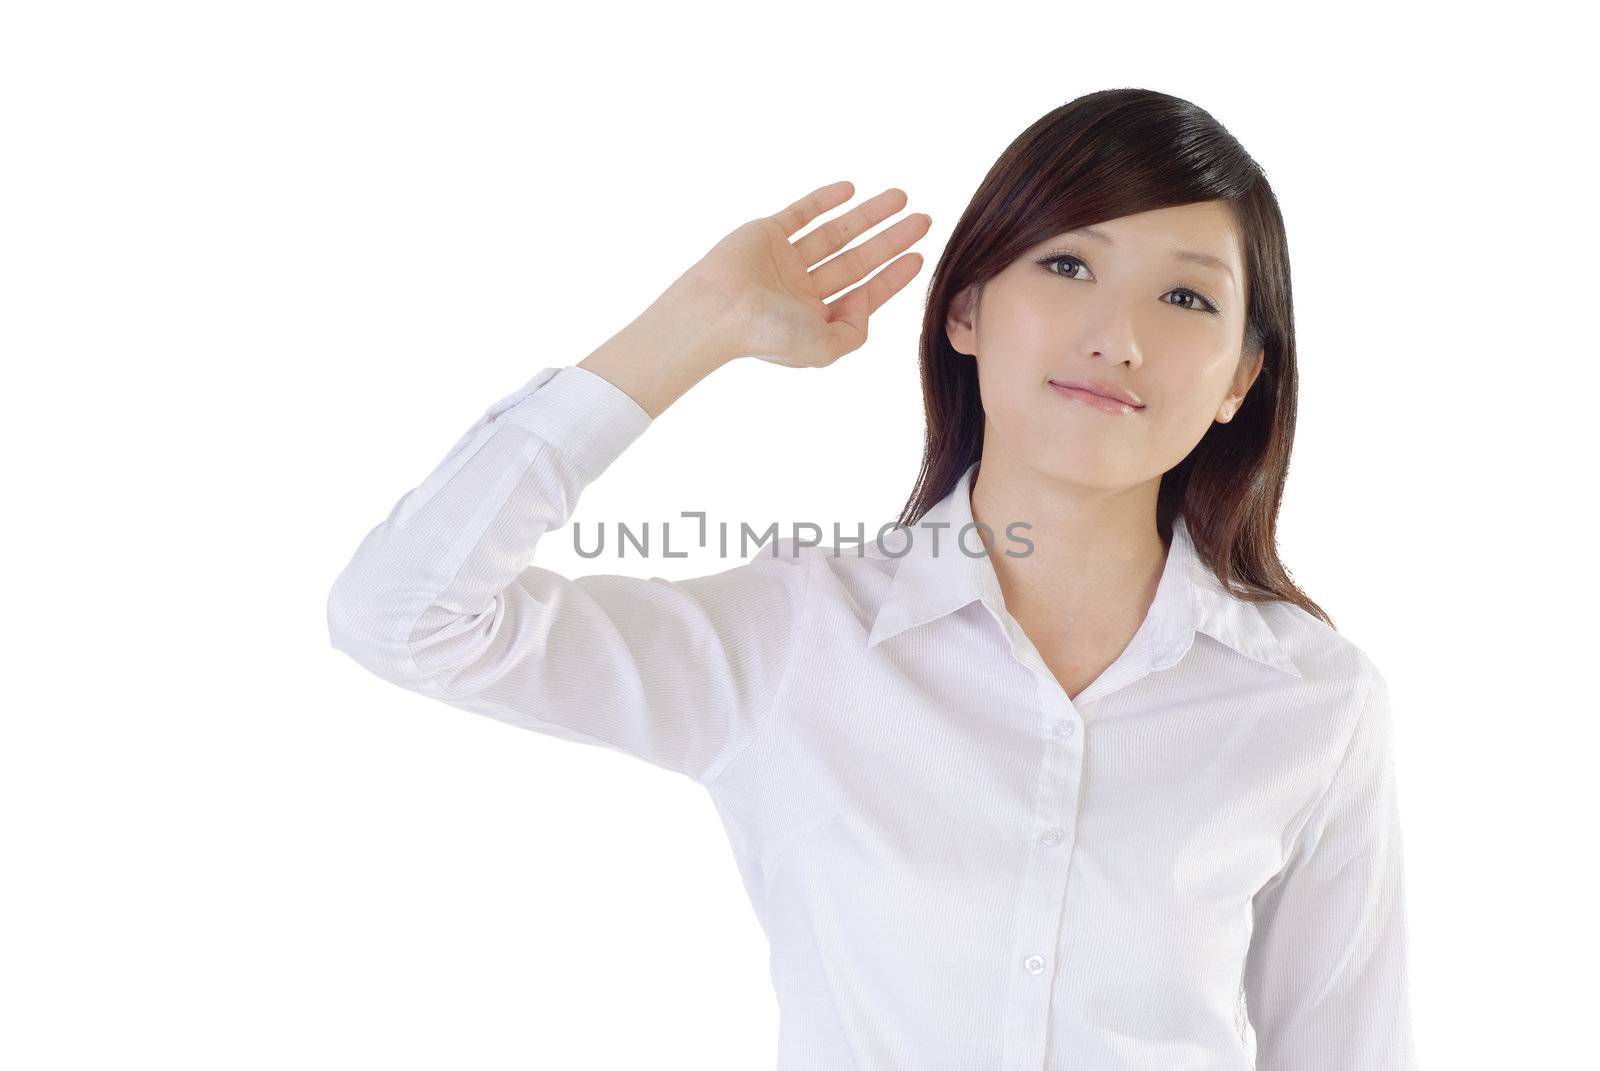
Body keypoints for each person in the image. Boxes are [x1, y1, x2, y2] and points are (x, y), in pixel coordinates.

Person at [327, 88, 1417, 1070]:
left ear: (1240, 379)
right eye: (1069, 265)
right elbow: (407, 617)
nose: (1116, 337)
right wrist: (693, 324)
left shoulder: (1311, 705)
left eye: (1186, 301)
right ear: (965, 311)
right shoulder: (799, 634)